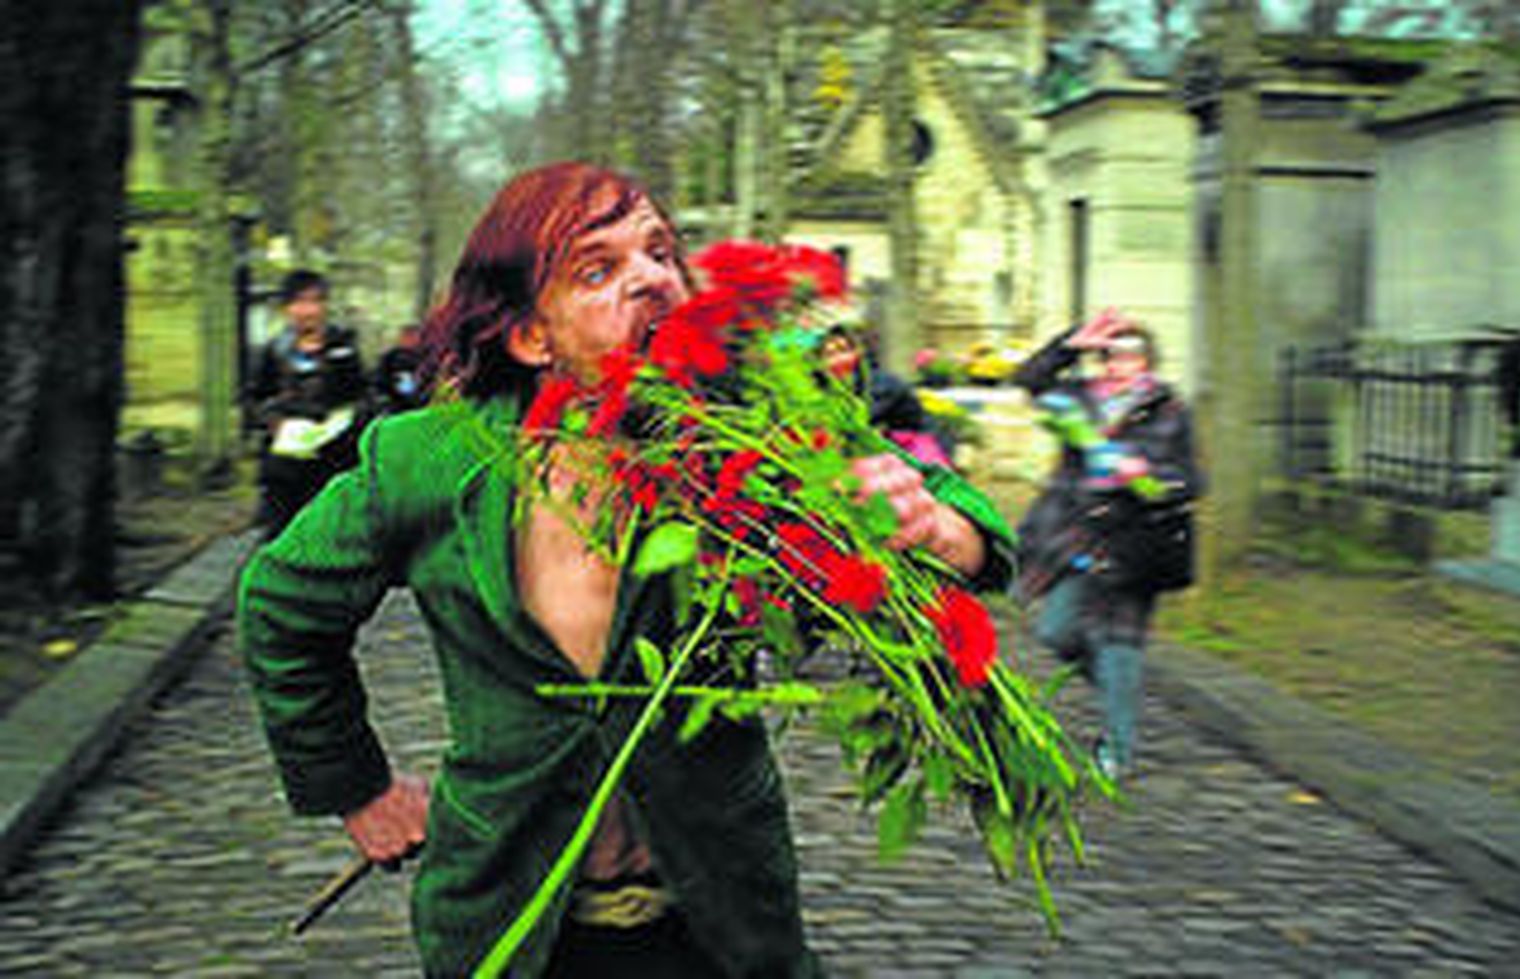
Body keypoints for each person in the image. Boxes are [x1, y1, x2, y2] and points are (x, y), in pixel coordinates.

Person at [237, 162, 1015, 978]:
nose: (649, 276)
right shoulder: (427, 460)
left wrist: (934, 526)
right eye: (597, 269)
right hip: (512, 925)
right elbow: (282, 603)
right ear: (530, 333)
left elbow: (974, 526)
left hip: (719, 922)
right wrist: (355, 786)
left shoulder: (754, 439)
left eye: (659, 252)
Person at [1013, 310, 1202, 782]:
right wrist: (1070, 344)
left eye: (1131, 355)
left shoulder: (1170, 409)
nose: (1120, 364)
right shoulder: (1076, 398)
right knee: (1055, 631)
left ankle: (1117, 749)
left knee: (1120, 643)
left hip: (1133, 540)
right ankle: (1119, 692)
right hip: (1073, 533)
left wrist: (1149, 476)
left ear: (1148, 361)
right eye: (1110, 355)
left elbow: (1194, 480)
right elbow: (1028, 378)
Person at [247, 269, 369, 539]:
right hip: (285, 464)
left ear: (324, 306)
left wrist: (343, 422)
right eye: (299, 302)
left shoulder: (344, 349)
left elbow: (364, 396)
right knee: (282, 536)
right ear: (287, 308)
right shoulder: (273, 350)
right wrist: (275, 423)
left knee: (328, 536)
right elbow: (254, 399)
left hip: (333, 462)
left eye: (315, 301)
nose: (307, 310)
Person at [818, 325, 952, 467]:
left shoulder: (881, 384)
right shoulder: (831, 384)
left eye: (843, 351)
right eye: (828, 354)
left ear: (859, 353)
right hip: (881, 445)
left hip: (913, 445)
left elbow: (858, 423)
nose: (836, 360)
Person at [373, 323, 428, 415]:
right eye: (408, 336)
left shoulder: (421, 356)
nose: (410, 340)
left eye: (413, 336)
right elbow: (406, 387)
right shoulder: (396, 358)